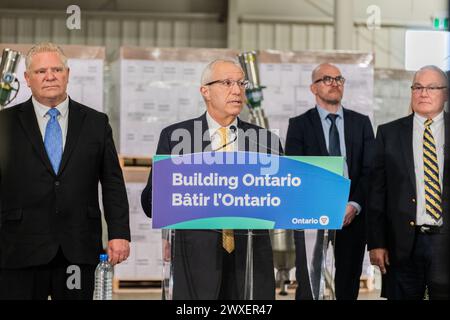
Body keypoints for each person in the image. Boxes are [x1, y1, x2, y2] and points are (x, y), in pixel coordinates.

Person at [141, 58, 282, 300]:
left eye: (241, 83)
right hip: (196, 261)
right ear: (205, 91)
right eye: (227, 83)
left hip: (250, 261)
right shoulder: (177, 138)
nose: (237, 90)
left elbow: (283, 198)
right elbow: (151, 203)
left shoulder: (265, 141)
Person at [0, 42, 130, 300]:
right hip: (18, 248)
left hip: (78, 247)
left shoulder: (96, 123)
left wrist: (119, 234)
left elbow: (112, 183)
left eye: (57, 69)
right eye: (40, 71)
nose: (50, 76)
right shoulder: (4, 124)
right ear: (27, 78)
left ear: (67, 74)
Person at [285, 63, 374, 300]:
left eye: (339, 79)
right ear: (313, 87)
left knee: (348, 283)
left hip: (352, 215)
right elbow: (296, 172)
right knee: (309, 282)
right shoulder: (299, 125)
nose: (334, 83)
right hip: (312, 214)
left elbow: (370, 171)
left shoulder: (361, 123)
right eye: (327, 79)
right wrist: (322, 204)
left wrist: (354, 205)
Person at [368, 65, 450, 300]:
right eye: (417, 87)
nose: (423, 93)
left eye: (431, 87)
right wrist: (377, 242)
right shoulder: (388, 133)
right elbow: (377, 192)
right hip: (402, 244)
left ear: (445, 93)